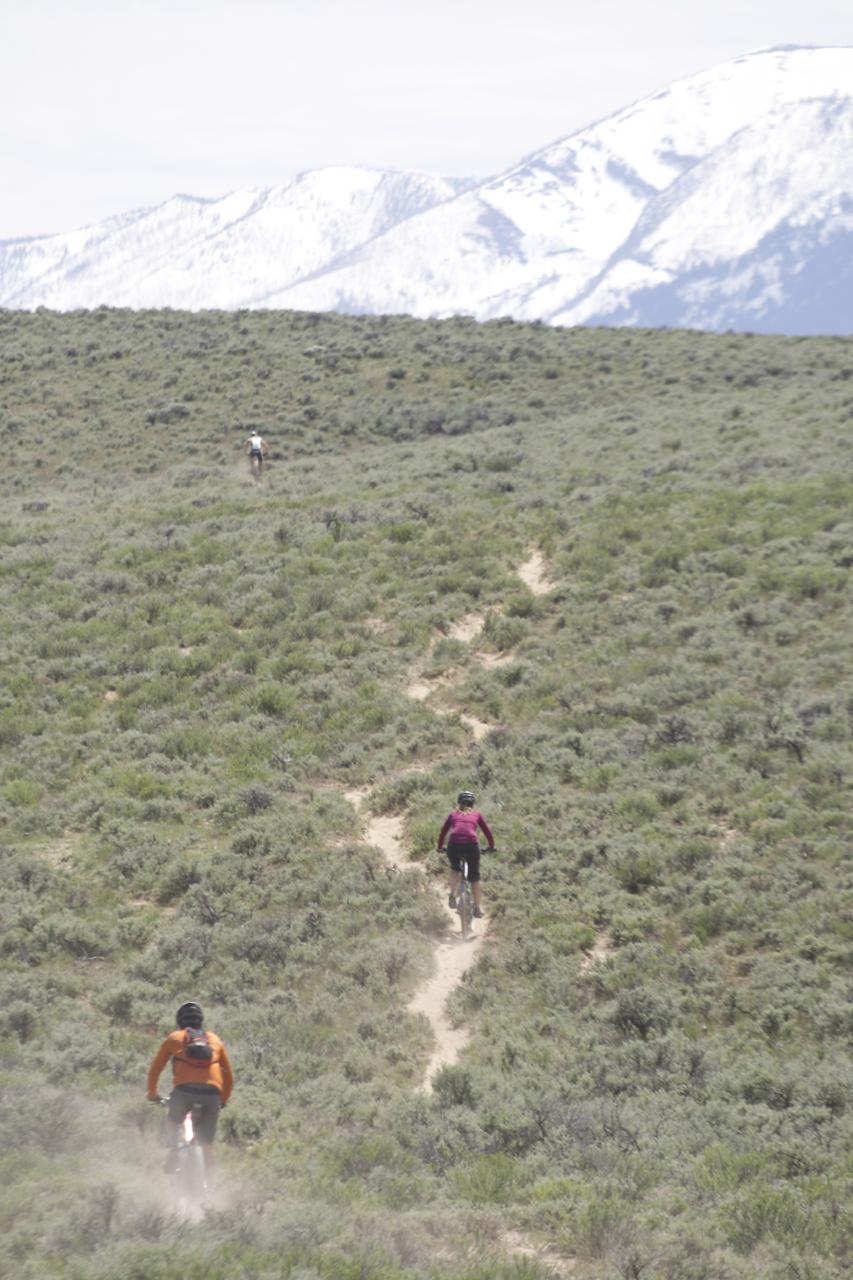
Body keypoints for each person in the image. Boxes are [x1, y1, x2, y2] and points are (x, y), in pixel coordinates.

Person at [147, 1001, 233, 1185]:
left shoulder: (174, 1038)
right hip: (212, 1095)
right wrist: (222, 1100)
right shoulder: (214, 1040)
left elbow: (155, 1070)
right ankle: (210, 1187)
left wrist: (153, 1094)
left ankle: (174, 1150)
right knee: (207, 1145)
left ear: (179, 1022)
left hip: (184, 1092)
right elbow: (229, 1076)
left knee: (172, 1121)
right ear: (201, 1021)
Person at [437, 790, 495, 919]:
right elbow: (487, 832)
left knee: (454, 868)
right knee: (474, 879)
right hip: (471, 846)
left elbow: (443, 832)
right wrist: (491, 846)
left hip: (454, 845)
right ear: (473, 804)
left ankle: (452, 893)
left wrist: (440, 847)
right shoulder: (477, 815)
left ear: (459, 803)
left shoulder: (453, 815)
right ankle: (478, 909)